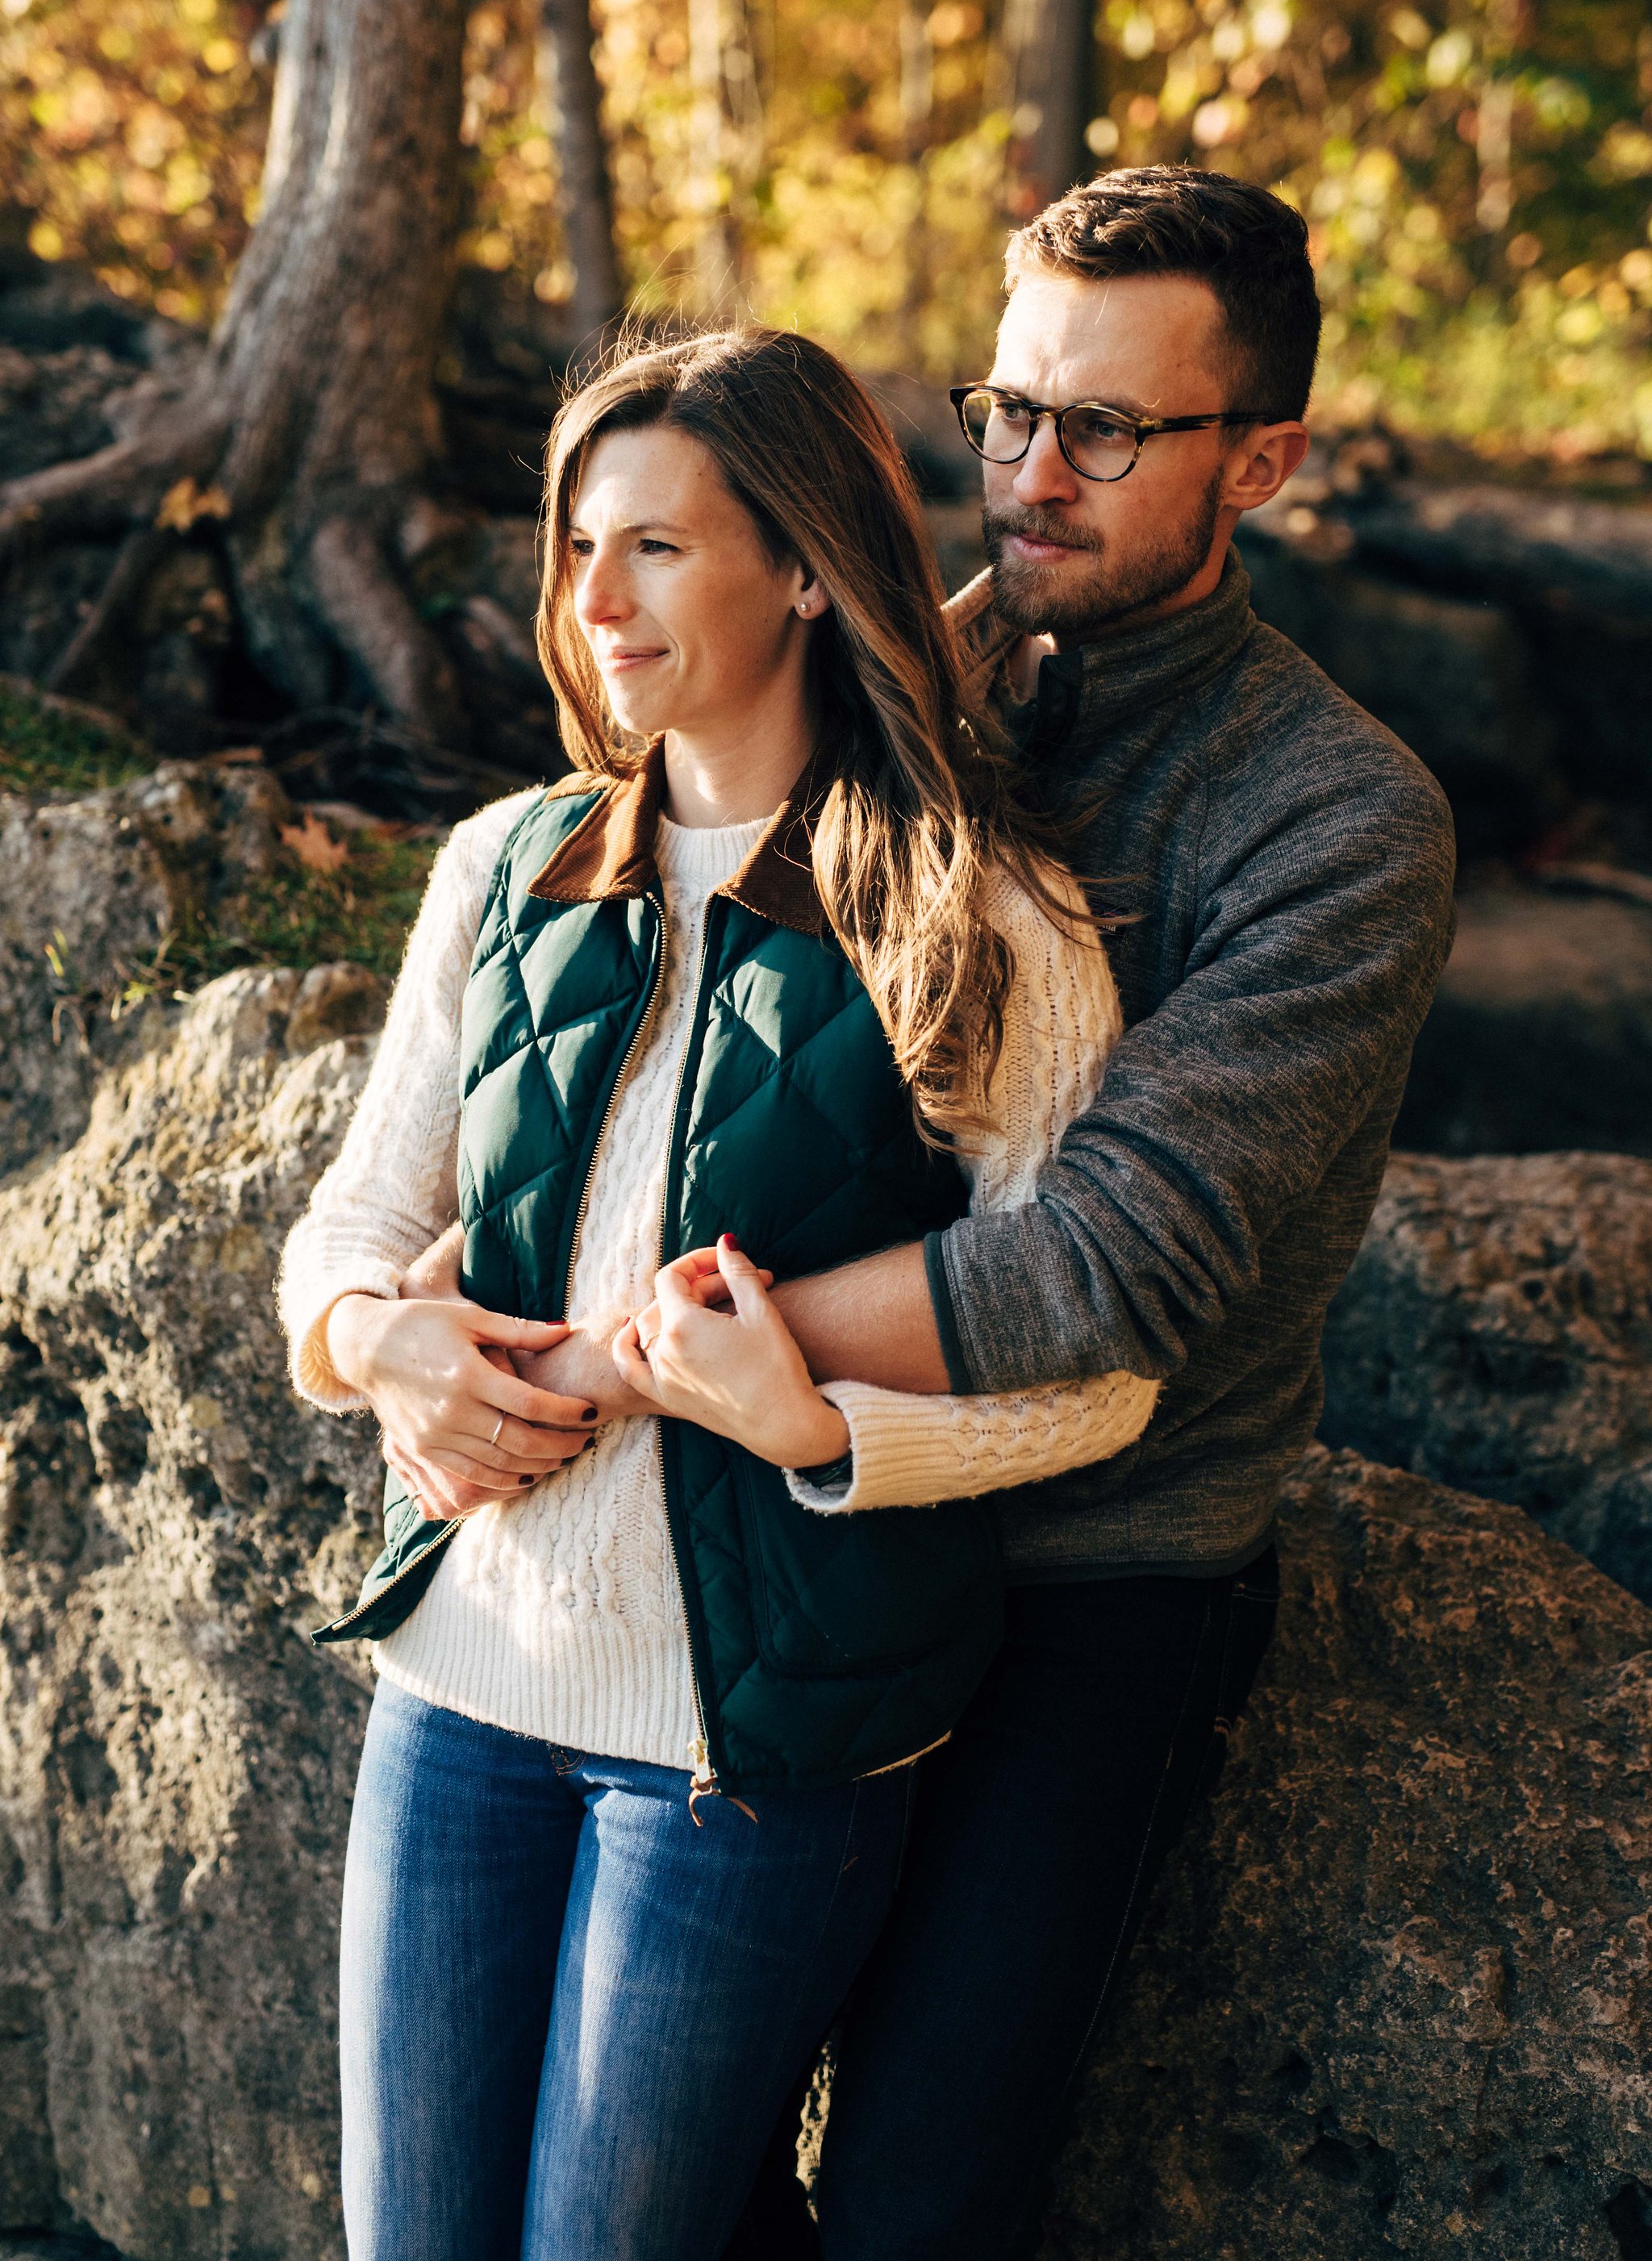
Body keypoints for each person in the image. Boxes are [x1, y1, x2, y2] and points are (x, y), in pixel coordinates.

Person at [277, 323, 1163, 2261]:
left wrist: (823, 1431)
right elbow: (347, 1231)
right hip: (459, 1694)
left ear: (807, 567)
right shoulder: (508, 865)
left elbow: (1100, 1379)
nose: (594, 599)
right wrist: (385, 1345)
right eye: (579, 544)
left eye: (659, 548)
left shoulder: (981, 915)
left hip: (752, 1755)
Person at [702, 165, 1456, 2258]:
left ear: (1268, 461)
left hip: (1095, 1585)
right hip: (789, 1503)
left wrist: (655, 1357)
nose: (1030, 474)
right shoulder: (870, 695)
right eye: (1008, 408)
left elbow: (1102, 1268)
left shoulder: (1336, 818)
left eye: (1106, 429)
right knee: (659, 2147)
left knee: (923, 2202)